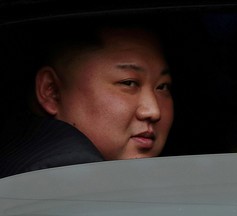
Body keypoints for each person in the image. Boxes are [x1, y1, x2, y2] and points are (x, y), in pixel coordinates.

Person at [0, 19, 174, 178]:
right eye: (128, 83)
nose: (153, 111)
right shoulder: (63, 174)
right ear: (52, 91)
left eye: (162, 87)